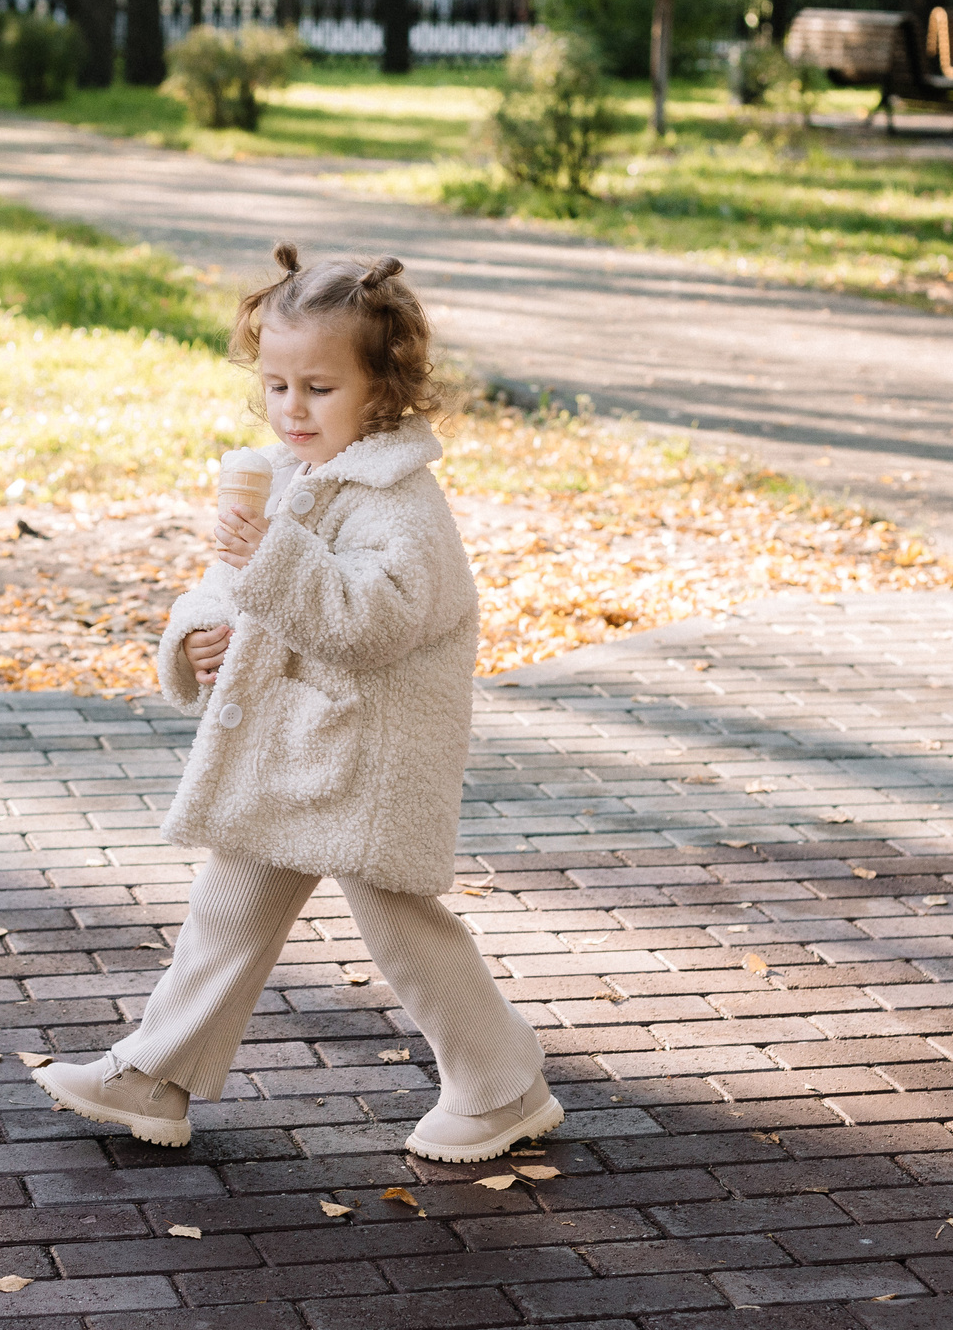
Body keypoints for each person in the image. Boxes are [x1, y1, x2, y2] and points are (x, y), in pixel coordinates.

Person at [32, 244, 558, 1163]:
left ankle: (502, 1084)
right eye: (276, 385)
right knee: (227, 908)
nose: (292, 409)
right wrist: (199, 634)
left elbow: (370, 621)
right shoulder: (288, 473)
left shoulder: (401, 504)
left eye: (318, 388)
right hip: (292, 750)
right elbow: (227, 583)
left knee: (404, 928)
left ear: (382, 389)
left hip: (371, 757)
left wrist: (270, 554)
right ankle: (156, 1073)